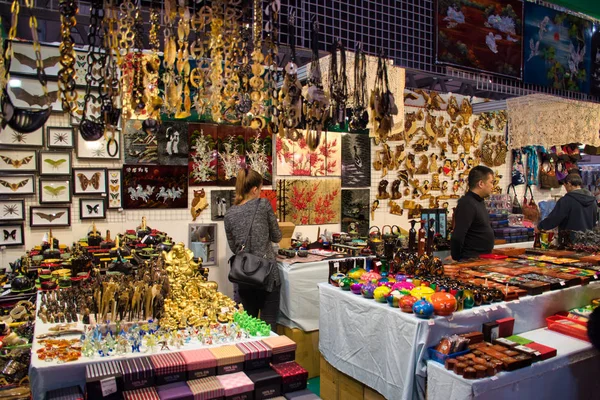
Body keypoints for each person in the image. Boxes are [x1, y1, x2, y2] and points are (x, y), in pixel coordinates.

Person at [224, 167, 282, 330]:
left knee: (247, 327)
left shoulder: (229, 214)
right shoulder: (263, 204)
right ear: (255, 189)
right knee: (268, 326)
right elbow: (277, 236)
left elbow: (234, 248)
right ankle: (270, 355)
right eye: (261, 189)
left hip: (244, 278)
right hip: (268, 276)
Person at [451, 165, 495, 261]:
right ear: (481, 183)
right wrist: (457, 259)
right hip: (470, 259)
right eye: (491, 182)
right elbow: (458, 235)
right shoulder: (467, 204)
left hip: (481, 258)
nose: (493, 186)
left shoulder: (479, 201)